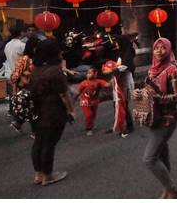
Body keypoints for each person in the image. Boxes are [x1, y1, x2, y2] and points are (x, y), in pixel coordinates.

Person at [29, 39, 75, 186]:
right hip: (53, 110)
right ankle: (48, 176)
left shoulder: (35, 70)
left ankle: (38, 174)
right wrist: (71, 110)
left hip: (37, 110)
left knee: (39, 142)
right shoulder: (56, 71)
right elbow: (64, 95)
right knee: (49, 143)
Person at [143, 38, 177, 199]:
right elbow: (150, 90)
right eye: (156, 48)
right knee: (161, 154)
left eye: (163, 48)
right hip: (153, 117)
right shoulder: (151, 70)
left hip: (167, 118)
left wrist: (159, 98)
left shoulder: (172, 70)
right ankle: (167, 188)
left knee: (149, 158)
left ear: (168, 50)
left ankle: (172, 188)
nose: (159, 51)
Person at [9, 36, 40, 134]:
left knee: (32, 109)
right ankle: (35, 132)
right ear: (32, 47)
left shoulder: (36, 58)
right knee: (33, 109)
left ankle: (18, 123)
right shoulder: (24, 59)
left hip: (33, 87)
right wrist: (15, 91)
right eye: (37, 46)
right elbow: (14, 76)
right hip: (25, 88)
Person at [77, 68, 110, 136]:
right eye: (87, 73)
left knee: (93, 114)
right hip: (85, 102)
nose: (88, 75)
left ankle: (91, 124)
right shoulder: (84, 83)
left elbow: (107, 85)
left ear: (95, 74)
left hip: (94, 101)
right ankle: (89, 129)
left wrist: (114, 78)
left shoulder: (99, 81)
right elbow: (78, 91)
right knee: (88, 115)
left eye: (90, 73)